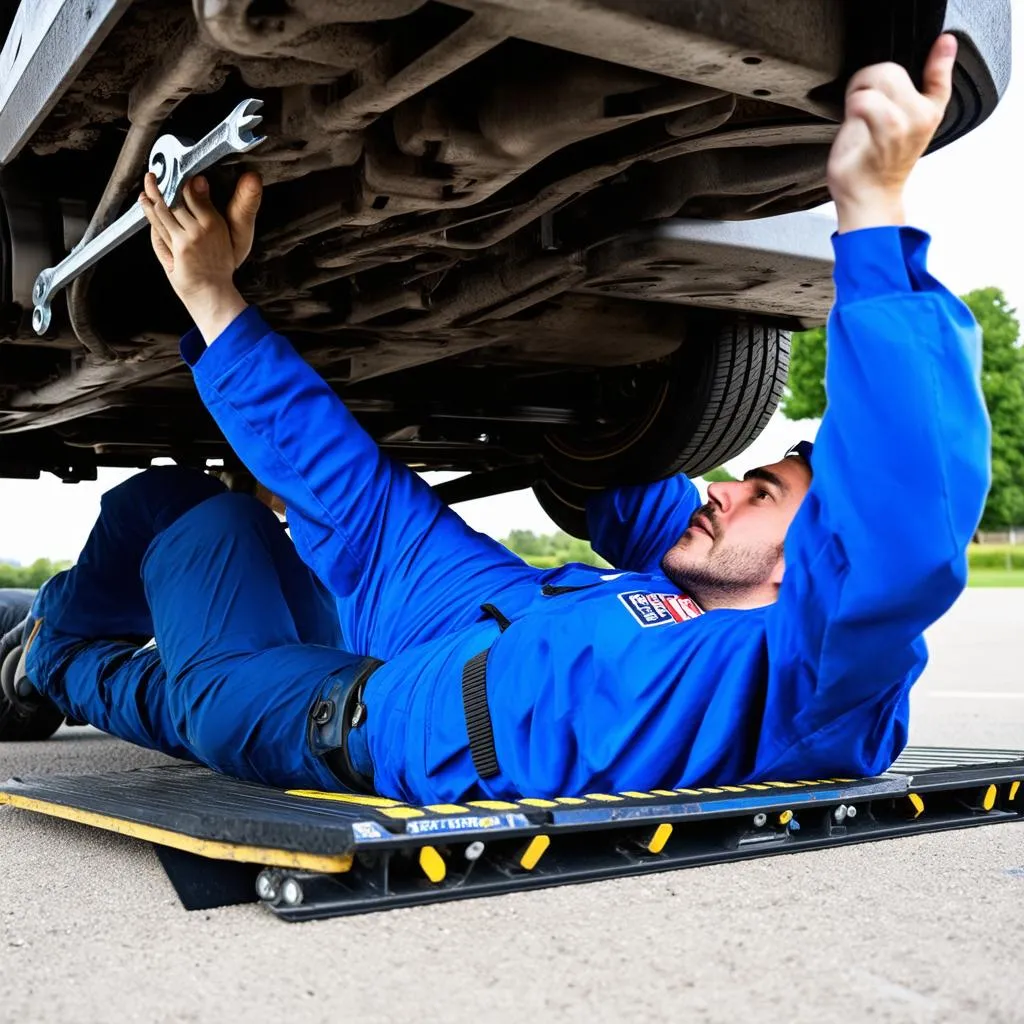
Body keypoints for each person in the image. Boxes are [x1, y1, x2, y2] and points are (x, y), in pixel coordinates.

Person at [7, 35, 989, 803]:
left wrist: (871, 216)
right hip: (440, 632)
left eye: (762, 491)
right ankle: (53, 624)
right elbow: (377, 506)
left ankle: (51, 663)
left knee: (200, 591)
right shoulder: (624, 598)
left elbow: (901, 537)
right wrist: (213, 293)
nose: (724, 485)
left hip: (340, 717)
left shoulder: (809, 688)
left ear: (813, 551)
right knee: (181, 503)